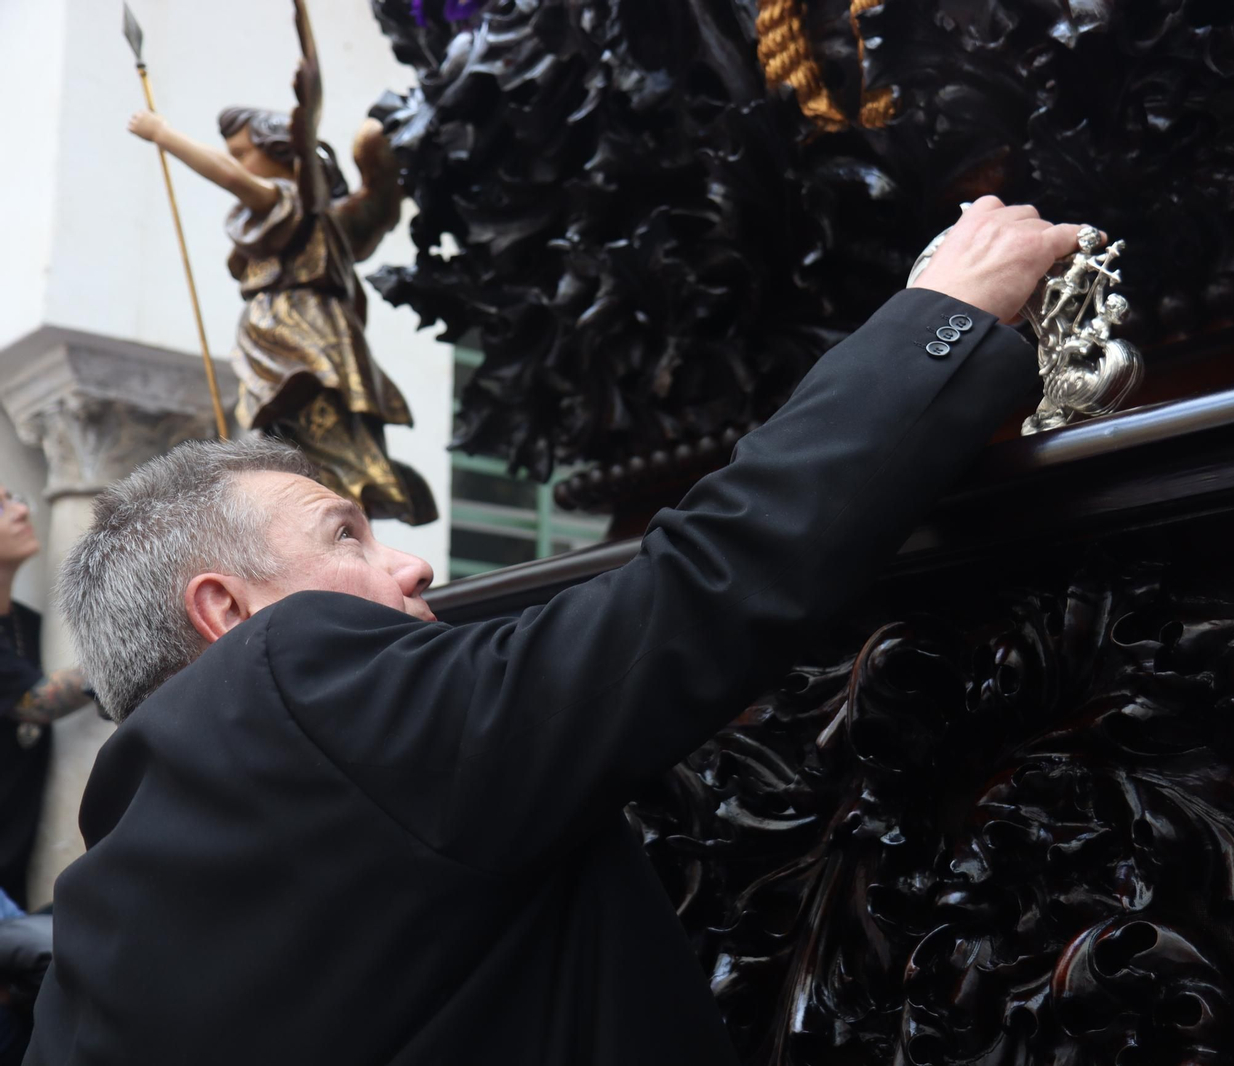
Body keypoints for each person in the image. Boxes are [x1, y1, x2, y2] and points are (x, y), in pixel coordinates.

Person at [25, 198, 1082, 1064]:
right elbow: (699, 587)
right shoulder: (295, 692)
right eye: (345, 532)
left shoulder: (97, 936)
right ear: (228, 612)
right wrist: (941, 317)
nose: (412, 562)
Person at [125, 24, 436, 526]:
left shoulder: (297, 203)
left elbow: (234, 181)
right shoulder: (290, 214)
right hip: (272, 335)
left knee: (319, 432)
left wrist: (164, 135)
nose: (238, 166)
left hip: (303, 333)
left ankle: (342, 504)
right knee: (280, 442)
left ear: (284, 157)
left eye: (244, 153)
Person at [0, 485, 93, 913]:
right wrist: (136, 647)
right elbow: (36, 702)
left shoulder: (28, 623)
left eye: (14, 497)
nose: (21, 510)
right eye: (0, 505)